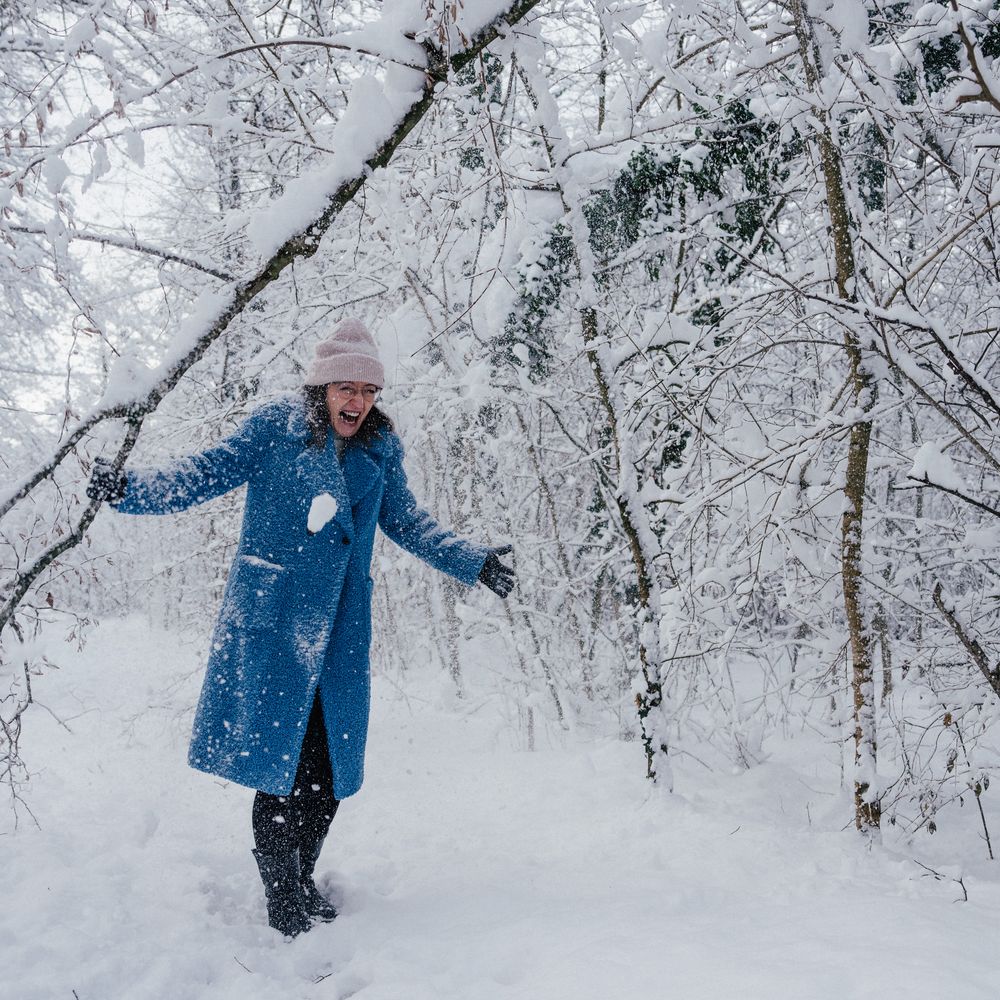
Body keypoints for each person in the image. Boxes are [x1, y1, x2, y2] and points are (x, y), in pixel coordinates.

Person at [87, 318, 515, 937]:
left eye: (368, 392)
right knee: (278, 767)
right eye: (346, 388)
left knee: (330, 772)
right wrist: (127, 488)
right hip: (273, 623)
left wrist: (470, 560)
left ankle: (299, 874)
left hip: (339, 630)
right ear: (322, 389)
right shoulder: (274, 430)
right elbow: (203, 474)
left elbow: (409, 522)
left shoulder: (378, 451)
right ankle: (282, 896)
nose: (358, 402)